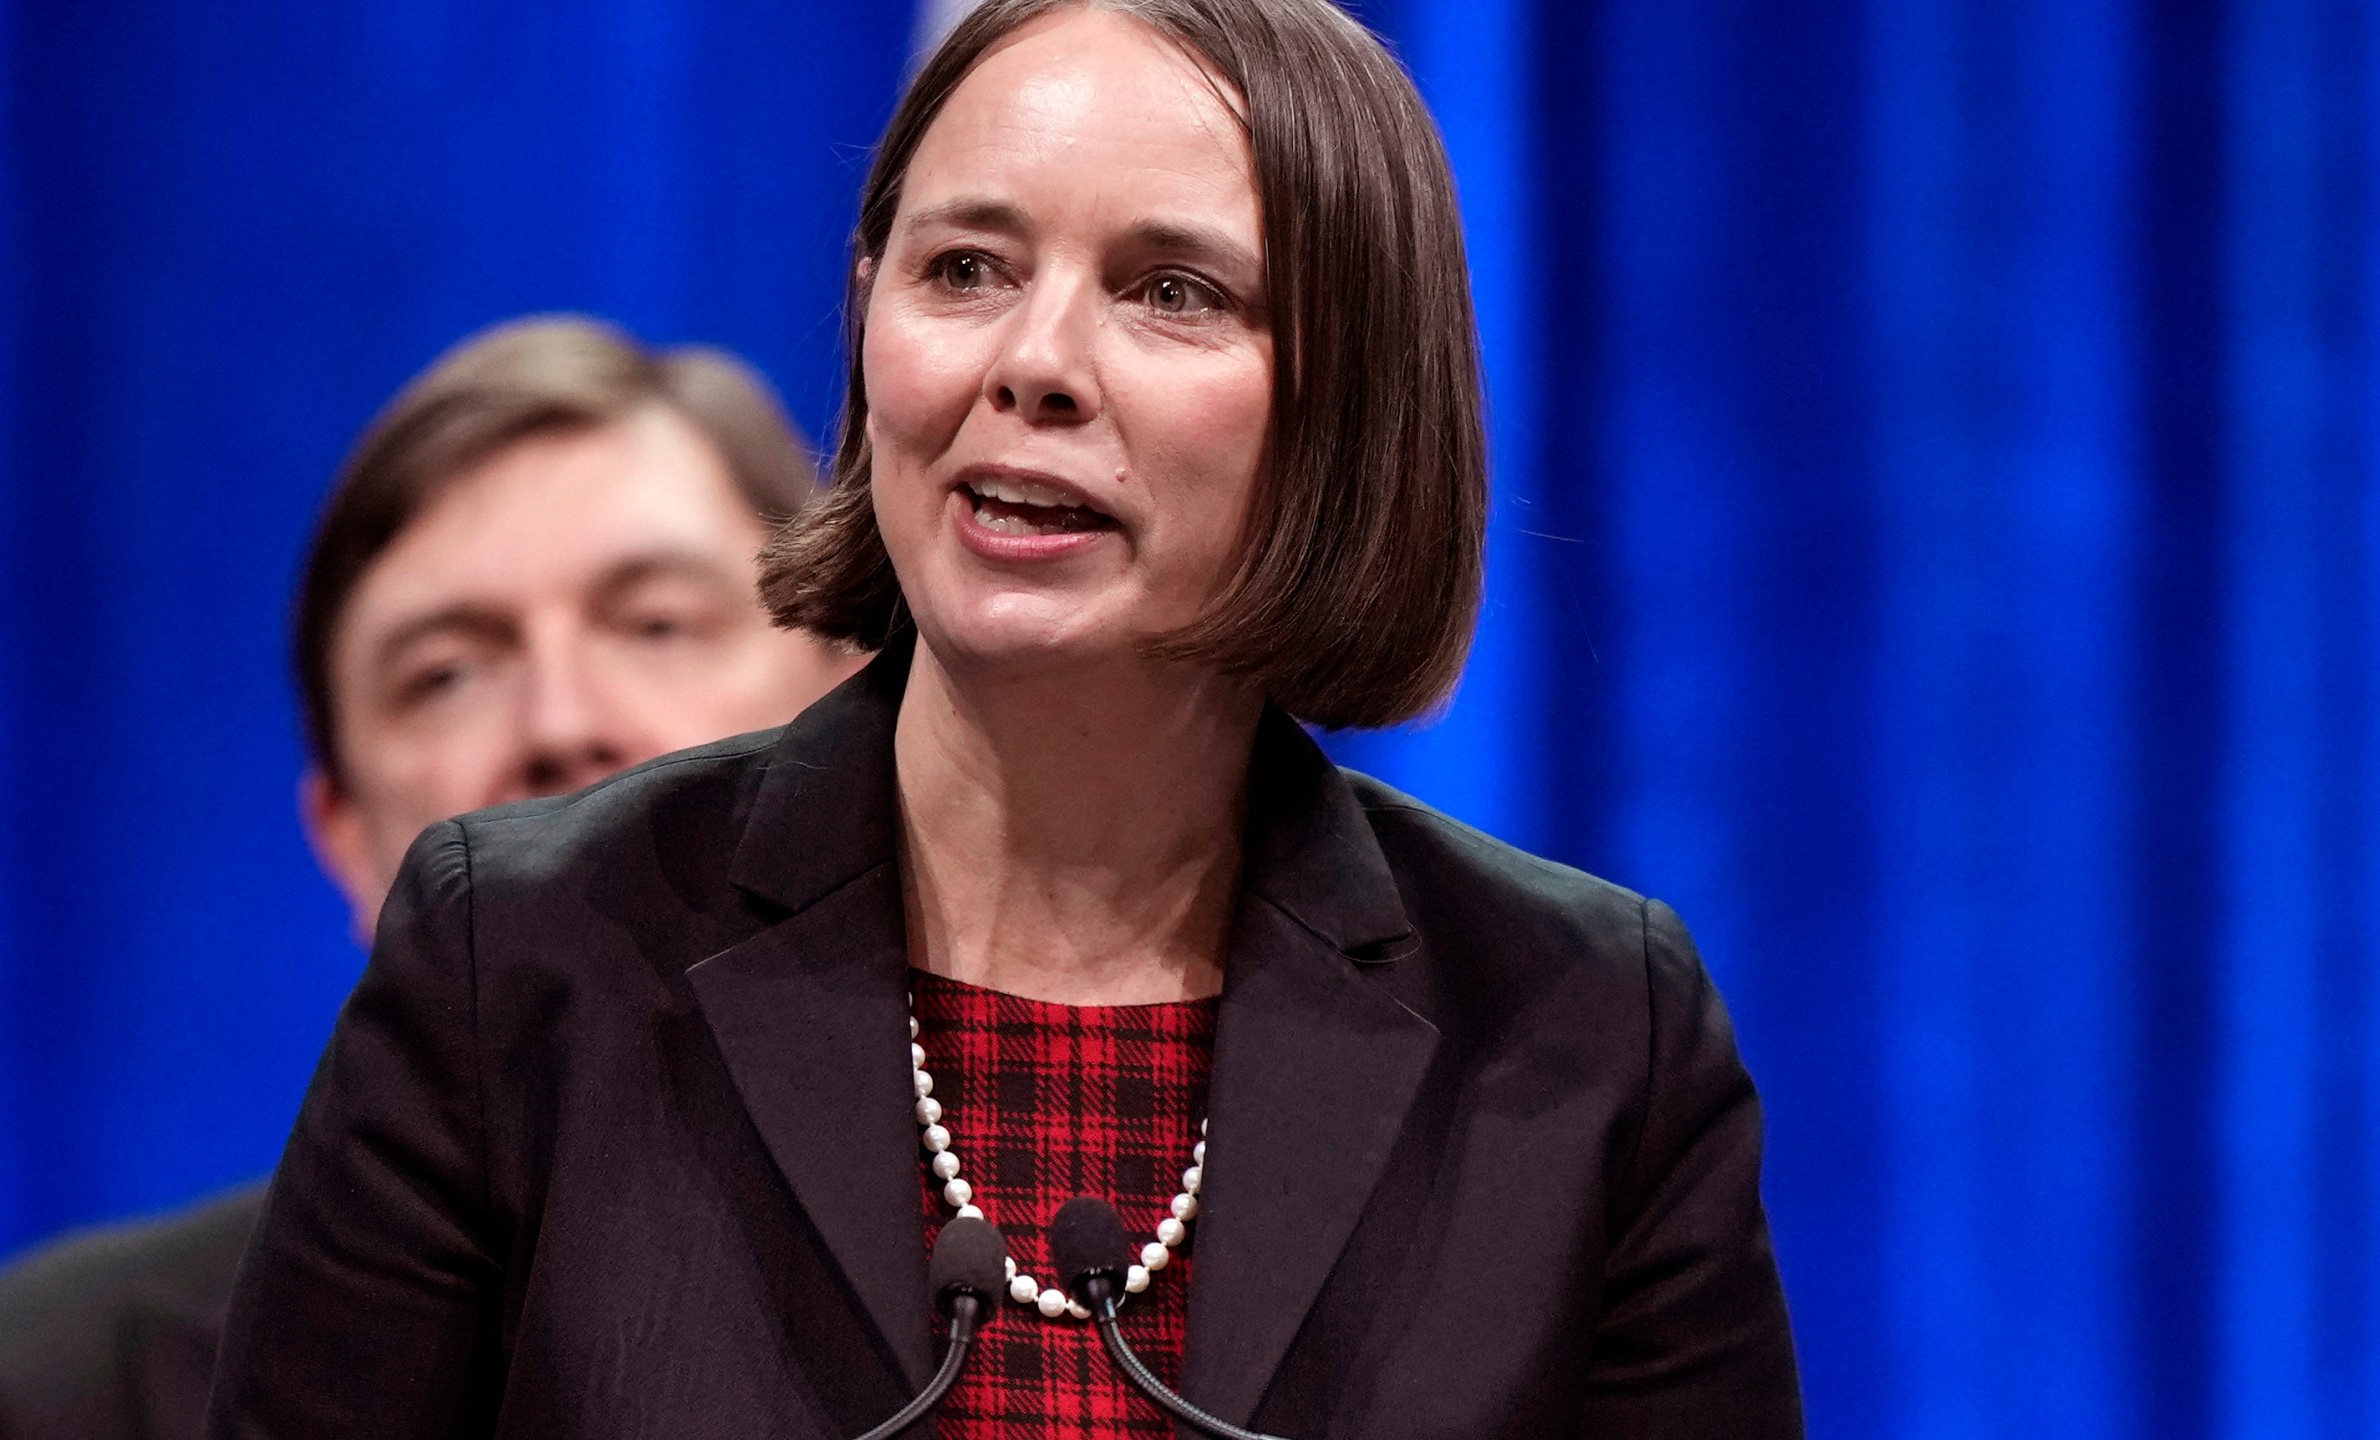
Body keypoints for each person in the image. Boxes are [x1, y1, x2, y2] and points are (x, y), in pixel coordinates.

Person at [207, 1, 1805, 1436]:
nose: (1032, 364)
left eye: (1172, 292)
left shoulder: (1591, 1038)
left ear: (1352, 403)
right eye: (963, 269)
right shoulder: (525, 959)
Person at [0, 317, 856, 1440]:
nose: (561, 722)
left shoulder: (1047, 1289)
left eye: (656, 623)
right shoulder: (41, 1395)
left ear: (861, 711)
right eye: (445, 674)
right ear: (340, 840)